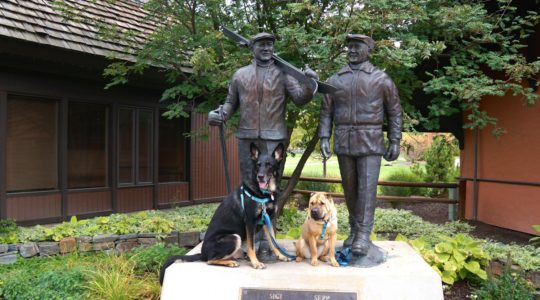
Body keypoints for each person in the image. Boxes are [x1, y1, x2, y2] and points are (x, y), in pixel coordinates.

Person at [318, 34, 402, 256]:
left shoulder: (381, 79)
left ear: (368, 49)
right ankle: (355, 231)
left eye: (357, 46)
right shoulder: (335, 80)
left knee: (366, 190)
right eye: (349, 47)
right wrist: (324, 137)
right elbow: (326, 111)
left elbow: (394, 112)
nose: (352, 50)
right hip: (345, 140)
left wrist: (395, 140)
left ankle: (364, 235)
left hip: (371, 140)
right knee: (351, 189)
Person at [208, 32, 318, 184]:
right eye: (262, 45)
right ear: (252, 48)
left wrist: (310, 84)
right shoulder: (240, 75)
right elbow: (231, 102)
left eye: (270, 44)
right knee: (248, 182)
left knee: (270, 183)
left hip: (273, 137)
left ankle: (269, 209)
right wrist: (221, 115)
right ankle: (247, 208)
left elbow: (300, 98)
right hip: (247, 137)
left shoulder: (283, 74)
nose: (267, 48)